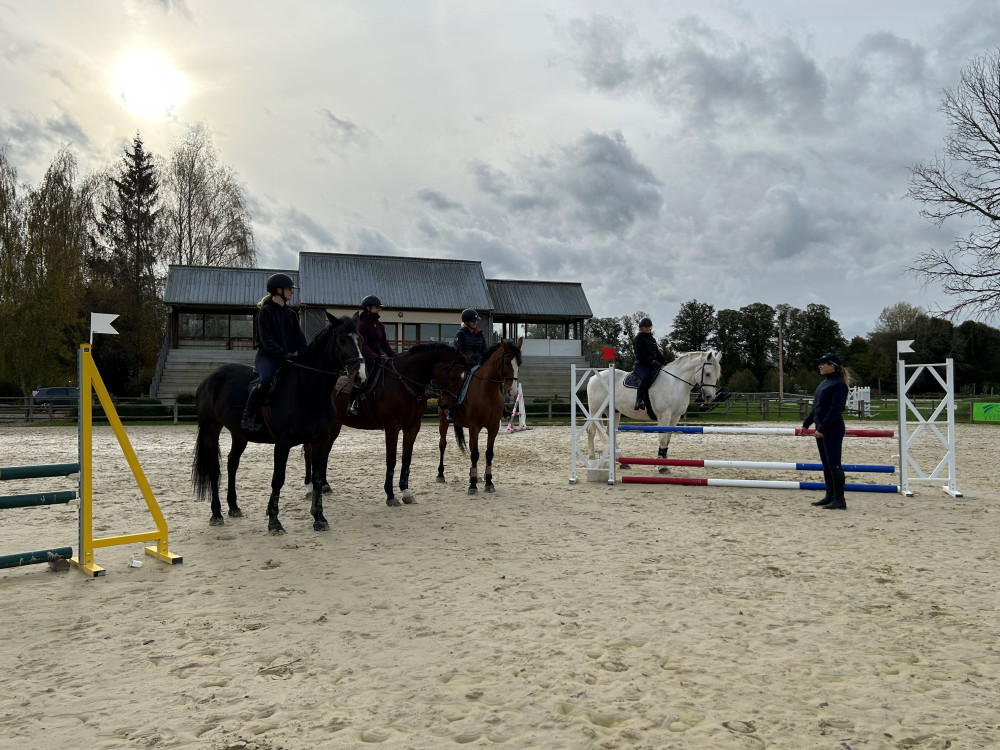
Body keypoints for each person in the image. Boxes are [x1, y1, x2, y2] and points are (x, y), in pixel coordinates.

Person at [241, 273, 307, 431]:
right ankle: (247, 416)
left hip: (288, 358)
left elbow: (300, 339)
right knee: (266, 381)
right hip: (268, 357)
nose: (292, 292)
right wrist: (285, 355)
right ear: (279, 290)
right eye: (289, 289)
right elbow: (267, 341)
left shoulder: (291, 314)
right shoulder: (265, 311)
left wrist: (305, 354)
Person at [801, 353, 851, 510]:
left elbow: (836, 409)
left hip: (832, 429)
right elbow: (817, 407)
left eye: (823, 364)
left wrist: (822, 427)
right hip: (822, 428)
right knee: (826, 464)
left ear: (832, 365)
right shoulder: (824, 383)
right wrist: (807, 423)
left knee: (834, 464)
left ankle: (839, 500)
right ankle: (830, 496)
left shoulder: (839, 384)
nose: (820, 366)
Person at [348, 294, 396, 415]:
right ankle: (352, 402)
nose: (379, 309)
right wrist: (374, 357)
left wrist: (394, 356)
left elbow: (384, 344)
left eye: (379, 307)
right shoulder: (362, 324)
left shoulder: (380, 325)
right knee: (362, 378)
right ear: (368, 308)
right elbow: (363, 345)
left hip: (378, 358)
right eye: (376, 307)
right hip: (364, 358)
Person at [446, 309, 486, 422]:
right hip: (465, 366)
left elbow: (485, 351)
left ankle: (502, 408)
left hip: (478, 366)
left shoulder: (480, 335)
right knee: (459, 382)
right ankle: (452, 410)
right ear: (467, 322)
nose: (475, 323)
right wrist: (468, 361)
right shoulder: (460, 334)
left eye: (476, 321)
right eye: (473, 321)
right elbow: (458, 351)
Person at [632, 317, 666, 421]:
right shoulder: (638, 339)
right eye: (645, 327)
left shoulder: (652, 339)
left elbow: (657, 353)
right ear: (641, 328)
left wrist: (664, 361)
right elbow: (640, 354)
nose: (647, 328)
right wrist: (652, 361)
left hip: (652, 365)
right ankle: (639, 401)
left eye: (648, 327)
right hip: (641, 365)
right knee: (646, 378)